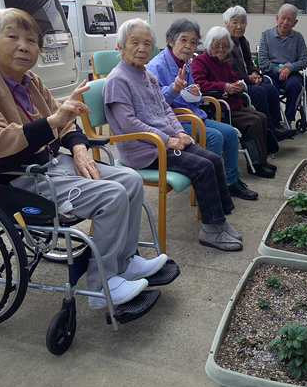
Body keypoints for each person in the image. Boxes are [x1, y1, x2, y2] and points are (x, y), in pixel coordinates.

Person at [0, 8, 167, 309]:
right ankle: (102, 286)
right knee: (112, 195)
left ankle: (125, 262)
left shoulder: (30, 81)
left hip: (50, 165)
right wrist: (52, 123)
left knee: (129, 179)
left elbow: (64, 122)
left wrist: (78, 148)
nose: (25, 46)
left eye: (32, 40)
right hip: (16, 178)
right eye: (13, 37)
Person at [103, 19, 244, 252]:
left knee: (213, 159)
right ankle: (211, 230)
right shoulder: (118, 80)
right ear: (120, 47)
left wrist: (179, 131)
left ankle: (219, 222)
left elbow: (165, 108)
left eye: (147, 43)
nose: (142, 48)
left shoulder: (146, 75)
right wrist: (168, 139)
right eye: (134, 42)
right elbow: (129, 124)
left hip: (163, 142)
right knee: (202, 167)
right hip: (144, 150)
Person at [147, 18, 258, 201]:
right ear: (170, 40)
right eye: (183, 40)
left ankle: (231, 182)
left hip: (194, 116)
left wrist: (195, 92)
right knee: (215, 137)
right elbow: (155, 104)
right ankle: (209, 190)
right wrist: (175, 90)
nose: (188, 46)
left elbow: (195, 96)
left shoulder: (185, 63)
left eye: (192, 42)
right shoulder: (156, 66)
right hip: (175, 122)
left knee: (230, 132)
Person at [192, 26, 276, 179]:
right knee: (253, 121)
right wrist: (223, 86)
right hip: (218, 108)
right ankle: (255, 165)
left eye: (225, 45)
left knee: (262, 117)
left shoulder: (225, 62)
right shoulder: (200, 61)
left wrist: (239, 85)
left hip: (233, 105)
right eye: (217, 44)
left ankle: (261, 160)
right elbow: (199, 84)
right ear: (209, 44)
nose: (221, 48)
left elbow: (233, 79)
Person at [223, 5, 297, 141]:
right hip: (234, 84)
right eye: (235, 22)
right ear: (226, 24)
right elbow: (227, 70)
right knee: (259, 92)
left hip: (247, 80)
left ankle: (276, 126)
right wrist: (248, 78)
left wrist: (255, 73)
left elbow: (250, 64)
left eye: (242, 22)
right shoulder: (224, 42)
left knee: (271, 89)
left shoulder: (243, 42)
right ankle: (268, 132)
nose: (239, 26)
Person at [258, 3, 307, 125]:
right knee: (270, 88)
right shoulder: (266, 36)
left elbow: (305, 60)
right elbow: (262, 62)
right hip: (271, 74)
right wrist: (278, 69)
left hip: (290, 74)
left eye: (289, 20)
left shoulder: (298, 37)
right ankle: (274, 122)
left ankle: (289, 119)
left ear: (295, 23)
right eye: (283, 18)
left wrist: (290, 68)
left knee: (295, 86)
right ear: (277, 18)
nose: (285, 22)